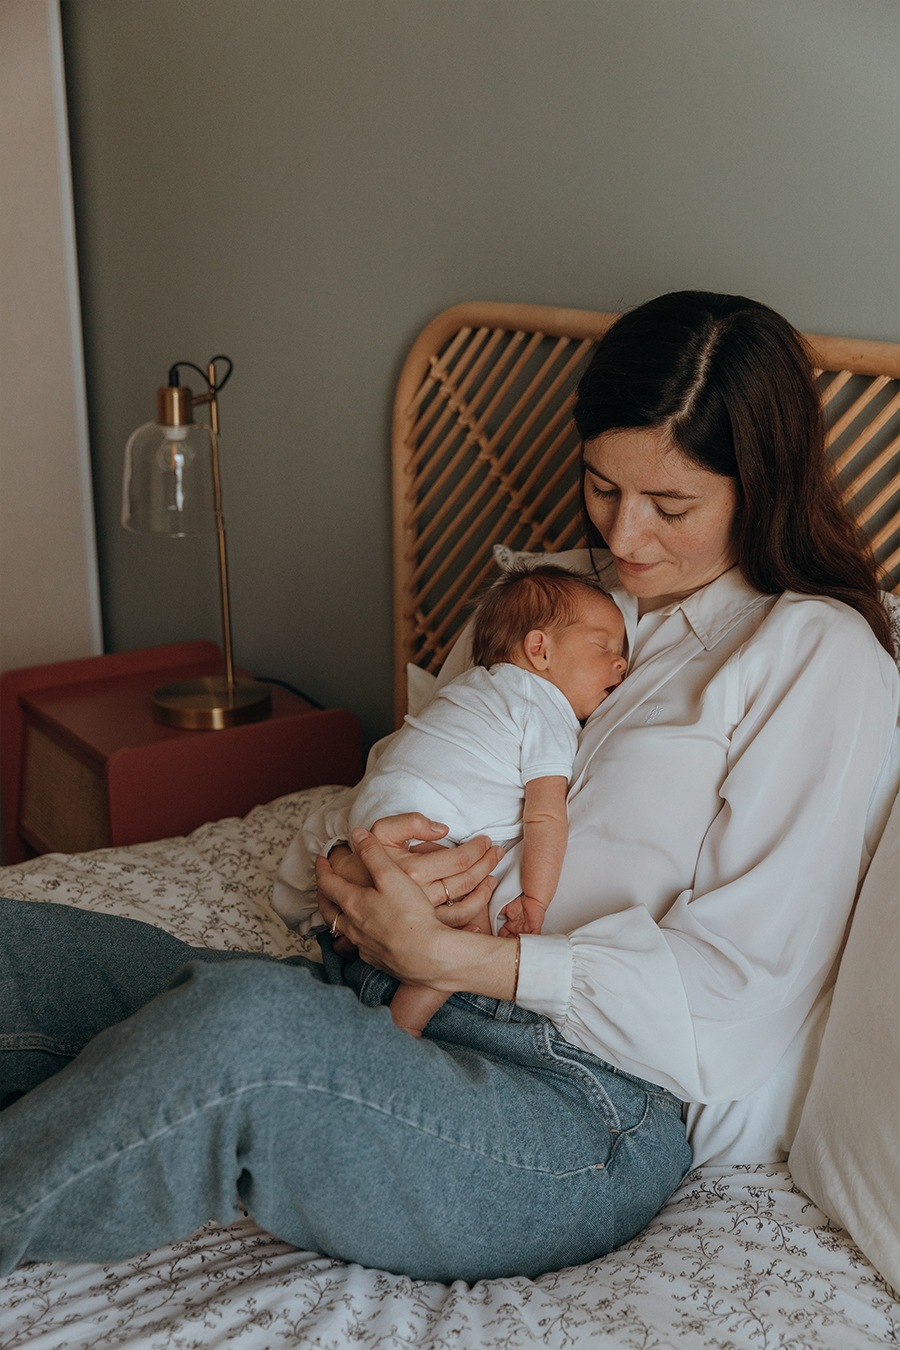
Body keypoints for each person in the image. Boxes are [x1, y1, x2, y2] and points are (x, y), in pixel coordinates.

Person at [1, 292, 897, 1286]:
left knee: (242, 1030)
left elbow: (738, 994)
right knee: (17, 952)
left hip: (575, 1099)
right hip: (363, 990)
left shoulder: (814, 656)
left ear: (761, 486)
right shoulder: (547, 597)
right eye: (602, 487)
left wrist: (455, 956)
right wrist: (354, 869)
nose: (625, 535)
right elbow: (411, 775)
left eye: (671, 506)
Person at [326, 564, 627, 1035]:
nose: (621, 663)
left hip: (372, 819)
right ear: (540, 649)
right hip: (430, 831)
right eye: (603, 647)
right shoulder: (545, 708)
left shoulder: (470, 686)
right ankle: (401, 1028)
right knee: (470, 932)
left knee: (397, 912)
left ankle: (353, 966)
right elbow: (545, 816)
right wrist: (535, 899)